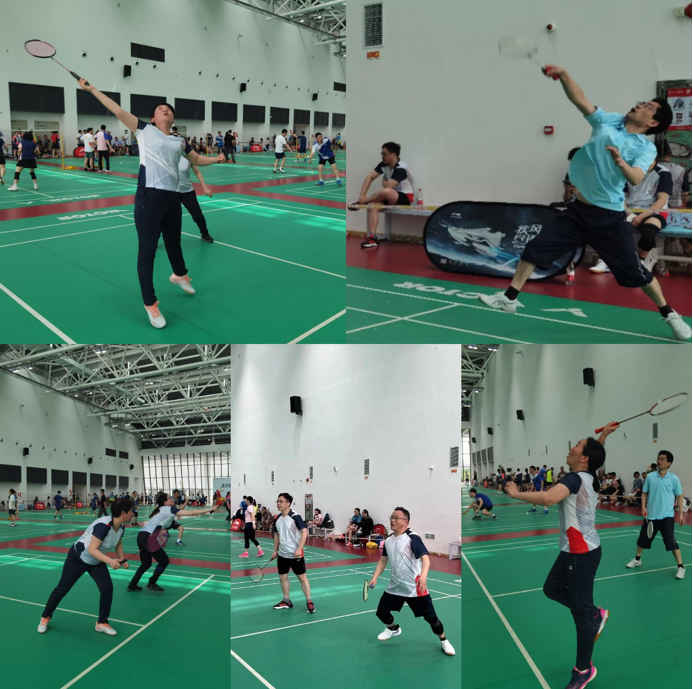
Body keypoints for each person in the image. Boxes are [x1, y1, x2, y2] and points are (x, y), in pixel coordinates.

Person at [477, 65, 690, 341]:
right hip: (579, 211)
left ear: (652, 123)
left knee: (636, 274)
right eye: (642, 102)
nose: (640, 105)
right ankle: (509, 298)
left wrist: (621, 163)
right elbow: (580, 99)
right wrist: (563, 75)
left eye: (647, 107)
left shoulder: (645, 147)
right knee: (535, 249)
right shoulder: (609, 121)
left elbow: (636, 177)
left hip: (609, 218)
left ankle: (670, 314)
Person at [79, 79, 225, 329]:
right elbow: (117, 110)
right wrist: (92, 90)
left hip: (173, 197)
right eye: (160, 109)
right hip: (149, 196)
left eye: (169, 109)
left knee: (174, 242)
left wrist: (216, 159)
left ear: (173, 118)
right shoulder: (144, 130)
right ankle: (150, 304)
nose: (165, 110)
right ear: (153, 118)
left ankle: (179, 274)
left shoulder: (180, 141)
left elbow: (196, 159)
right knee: (147, 252)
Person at [504, 423, 616, 688]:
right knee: (551, 589)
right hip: (572, 550)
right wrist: (603, 437)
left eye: (577, 445)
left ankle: (583, 669)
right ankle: (594, 614)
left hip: (582, 553)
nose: (571, 448)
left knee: (581, 617)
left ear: (584, 458)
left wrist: (515, 493)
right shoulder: (589, 476)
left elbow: (548, 498)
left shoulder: (575, 479)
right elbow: (594, 458)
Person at [37, 497, 135, 636]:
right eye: (131, 510)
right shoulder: (104, 526)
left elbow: (118, 542)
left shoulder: (121, 526)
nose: (133, 513)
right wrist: (110, 561)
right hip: (78, 558)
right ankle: (45, 617)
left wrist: (121, 558)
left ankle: (101, 623)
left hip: (96, 560)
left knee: (107, 589)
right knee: (62, 589)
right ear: (123, 513)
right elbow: (92, 549)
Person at [369, 506, 455, 656]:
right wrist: (375, 577)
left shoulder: (412, 538)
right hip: (395, 586)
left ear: (405, 521)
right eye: (391, 517)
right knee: (381, 613)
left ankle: (444, 640)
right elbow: (383, 561)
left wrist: (423, 577)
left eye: (396, 518)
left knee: (432, 619)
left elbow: (426, 559)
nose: (392, 520)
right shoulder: (388, 540)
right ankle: (393, 628)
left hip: (414, 587)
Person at [127, 493, 218, 592]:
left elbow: (159, 526)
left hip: (141, 536)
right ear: (165, 502)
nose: (171, 499)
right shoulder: (168, 509)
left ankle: (133, 584)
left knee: (146, 563)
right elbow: (192, 512)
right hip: (149, 537)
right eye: (169, 498)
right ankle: (152, 583)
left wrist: (160, 539)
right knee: (164, 561)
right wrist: (210, 509)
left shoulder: (159, 510)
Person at [625, 451, 685, 579]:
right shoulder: (650, 477)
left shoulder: (674, 479)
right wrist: (643, 506)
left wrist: (680, 514)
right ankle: (637, 560)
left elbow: (679, 496)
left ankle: (681, 567)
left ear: (669, 463)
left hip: (667, 517)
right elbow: (644, 492)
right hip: (651, 516)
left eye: (662, 459)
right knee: (642, 540)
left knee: (671, 542)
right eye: (658, 459)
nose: (659, 461)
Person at [349, 141, 415, 249]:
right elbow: (369, 177)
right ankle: (372, 238)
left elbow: (387, 186)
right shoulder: (384, 165)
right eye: (382, 153)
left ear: (393, 154)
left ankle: (364, 202)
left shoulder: (401, 168)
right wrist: (362, 194)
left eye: (385, 154)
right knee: (373, 206)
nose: (382, 156)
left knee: (387, 191)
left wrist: (384, 181)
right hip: (391, 196)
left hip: (405, 197)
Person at [269, 492, 315, 614]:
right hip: (282, 554)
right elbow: (276, 534)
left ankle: (309, 601)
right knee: (283, 577)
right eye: (277, 501)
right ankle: (286, 601)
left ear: (288, 503)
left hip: (295, 554)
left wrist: (299, 548)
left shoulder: (295, 516)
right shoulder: (277, 518)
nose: (278, 504)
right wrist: (275, 550)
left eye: (281, 501)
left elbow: (304, 532)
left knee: (302, 577)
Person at [175, 133, 214, 243]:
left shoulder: (189, 157)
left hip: (187, 191)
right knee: (165, 217)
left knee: (198, 216)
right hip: (172, 192)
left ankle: (205, 234)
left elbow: (197, 171)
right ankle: (154, 238)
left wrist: (205, 187)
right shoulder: (168, 155)